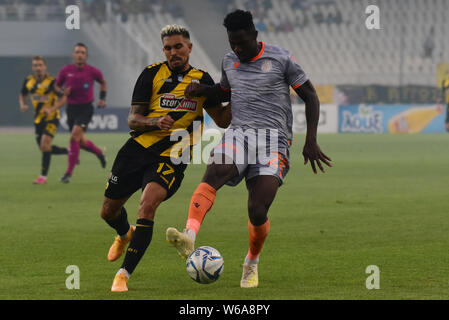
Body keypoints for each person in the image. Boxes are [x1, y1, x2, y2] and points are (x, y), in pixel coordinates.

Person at [166, 10, 332, 288]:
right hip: (240, 133)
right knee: (215, 171)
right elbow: (225, 91)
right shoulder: (230, 60)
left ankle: (251, 263)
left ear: (255, 35)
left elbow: (311, 96)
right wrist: (202, 90)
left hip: (273, 141)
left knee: (257, 209)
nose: (237, 49)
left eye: (242, 42)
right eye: (233, 43)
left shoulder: (281, 59)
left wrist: (311, 140)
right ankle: (189, 236)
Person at [100, 24, 231, 292]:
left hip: (175, 154)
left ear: (189, 48)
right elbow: (133, 120)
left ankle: (123, 274)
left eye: (178, 47)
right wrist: (154, 121)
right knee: (108, 211)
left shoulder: (202, 80)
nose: (173, 52)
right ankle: (125, 234)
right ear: (164, 51)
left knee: (147, 206)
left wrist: (243, 93)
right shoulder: (151, 75)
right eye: (168, 48)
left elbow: (223, 120)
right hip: (137, 151)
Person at [55, 43, 107, 183]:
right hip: (71, 109)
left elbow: (103, 82)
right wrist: (61, 92)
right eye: (77, 52)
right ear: (73, 55)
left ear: (86, 56)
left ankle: (68, 174)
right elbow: (57, 85)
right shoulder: (66, 70)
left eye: (82, 52)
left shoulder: (92, 71)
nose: (79, 54)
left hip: (86, 108)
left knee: (73, 138)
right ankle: (99, 153)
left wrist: (102, 99)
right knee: (81, 142)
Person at [19, 56, 69, 184]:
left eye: (40, 65)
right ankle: (68, 151)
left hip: (52, 118)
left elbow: (64, 98)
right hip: (38, 120)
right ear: (32, 67)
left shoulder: (52, 82)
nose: (38, 68)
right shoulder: (28, 81)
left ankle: (43, 177)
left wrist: (52, 109)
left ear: (45, 67)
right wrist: (23, 104)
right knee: (44, 147)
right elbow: (22, 94)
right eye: (35, 65)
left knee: (45, 144)